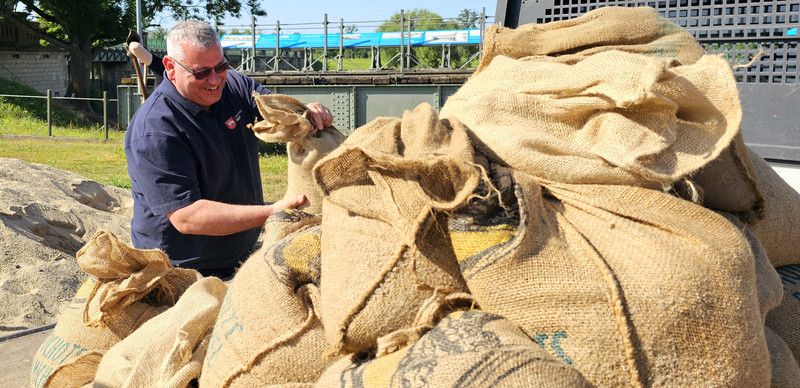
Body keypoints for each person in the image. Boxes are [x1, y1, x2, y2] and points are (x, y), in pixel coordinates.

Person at [124, 20, 333, 278]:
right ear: (170, 67)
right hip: (182, 269)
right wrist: (272, 212)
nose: (215, 80)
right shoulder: (155, 129)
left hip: (240, 255)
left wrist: (305, 112)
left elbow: (278, 114)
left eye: (221, 66)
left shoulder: (234, 85)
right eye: (201, 72)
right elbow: (188, 216)